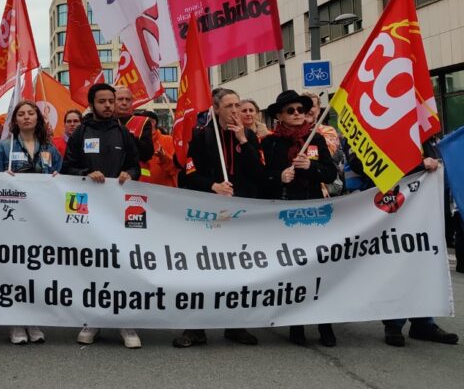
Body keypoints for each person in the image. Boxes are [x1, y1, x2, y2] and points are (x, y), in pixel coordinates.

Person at [345, 136, 460, 347]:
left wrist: (432, 160)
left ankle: (424, 322)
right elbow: (359, 163)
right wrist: (417, 164)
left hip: (420, 206)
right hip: (385, 206)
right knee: (392, 263)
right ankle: (393, 323)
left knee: (422, 261)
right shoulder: (369, 127)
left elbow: (433, 156)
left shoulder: (419, 130)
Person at [174, 88, 262, 349]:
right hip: (209, 214)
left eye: (238, 105)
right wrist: (213, 186)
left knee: (236, 272)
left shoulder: (250, 137)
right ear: (216, 110)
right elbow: (187, 175)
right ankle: (195, 327)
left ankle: (235, 325)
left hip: (240, 214)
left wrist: (243, 141)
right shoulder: (201, 138)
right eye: (230, 106)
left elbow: (260, 173)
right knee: (202, 272)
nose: (235, 111)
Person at [61, 83, 141, 348]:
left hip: (119, 210)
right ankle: (92, 319)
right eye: (102, 101)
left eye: (111, 101)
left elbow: (135, 166)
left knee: (122, 264)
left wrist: (129, 174)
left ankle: (125, 323)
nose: (108, 105)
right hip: (87, 211)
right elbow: (67, 168)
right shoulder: (80, 133)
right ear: (93, 104)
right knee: (92, 265)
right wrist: (85, 174)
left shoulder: (124, 133)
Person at [260, 91, 338, 347]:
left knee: (318, 269)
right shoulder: (271, 143)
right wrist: (278, 177)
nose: (296, 114)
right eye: (290, 111)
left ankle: (325, 323)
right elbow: (263, 174)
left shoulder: (315, 139)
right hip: (285, 213)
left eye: (300, 110)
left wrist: (311, 168)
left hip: (313, 213)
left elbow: (329, 173)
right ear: (280, 116)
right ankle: (296, 324)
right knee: (292, 269)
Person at [0, 100, 60, 344]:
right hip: (13, 218)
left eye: (31, 113)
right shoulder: (4, 148)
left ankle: (33, 318)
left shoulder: (51, 148)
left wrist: (57, 177)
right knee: (13, 268)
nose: (27, 117)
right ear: (15, 120)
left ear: (38, 118)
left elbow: (64, 179)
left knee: (36, 270)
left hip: (41, 220)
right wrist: (2, 178)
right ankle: (15, 321)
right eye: (22, 114)